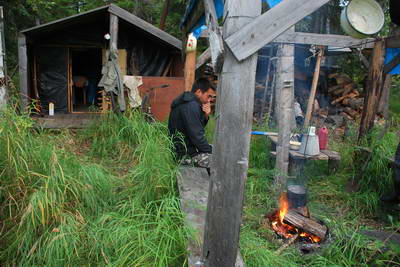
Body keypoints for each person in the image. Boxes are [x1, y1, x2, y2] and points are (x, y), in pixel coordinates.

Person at [168, 78, 216, 168]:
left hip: (185, 150)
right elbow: (197, 137)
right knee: (222, 160)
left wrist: (205, 116)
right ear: (198, 92)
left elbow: (194, 129)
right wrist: (212, 151)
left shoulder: (187, 102)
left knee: (219, 150)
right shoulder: (191, 106)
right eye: (208, 96)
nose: (209, 100)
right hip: (185, 156)